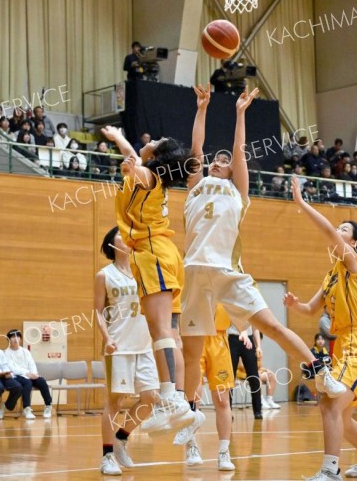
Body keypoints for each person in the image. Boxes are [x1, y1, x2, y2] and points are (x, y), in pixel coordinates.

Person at [181, 84, 345, 429]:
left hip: (228, 271)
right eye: (216, 160)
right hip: (195, 271)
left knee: (271, 325)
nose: (218, 163)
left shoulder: (237, 193)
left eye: (224, 162)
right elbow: (196, 147)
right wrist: (202, 109)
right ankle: (191, 412)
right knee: (192, 352)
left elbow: (239, 152)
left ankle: (319, 370)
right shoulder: (195, 187)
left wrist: (241, 113)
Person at [283, 175, 357, 480]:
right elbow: (310, 309)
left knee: (329, 403)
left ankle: (329, 471)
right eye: (340, 228)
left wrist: (302, 203)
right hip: (342, 346)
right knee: (341, 413)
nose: (338, 231)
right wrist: (294, 304)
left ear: (354, 243)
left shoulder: (351, 260)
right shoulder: (330, 275)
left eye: (345, 230)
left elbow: (329, 232)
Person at [101, 124, 198, 434]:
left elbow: (135, 163)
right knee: (169, 332)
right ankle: (178, 400)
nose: (148, 141)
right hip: (165, 253)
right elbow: (134, 159)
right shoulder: (153, 178)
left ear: (156, 156)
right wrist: (117, 138)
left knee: (160, 331)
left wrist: (128, 156)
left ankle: (170, 398)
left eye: (154, 141)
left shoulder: (145, 176)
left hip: (153, 253)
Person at [95, 226, 159, 475]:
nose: (128, 236)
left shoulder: (141, 272)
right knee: (114, 402)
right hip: (118, 347)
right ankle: (107, 456)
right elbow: (98, 311)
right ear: (112, 244)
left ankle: (122, 438)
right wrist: (107, 337)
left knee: (151, 398)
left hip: (143, 345)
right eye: (121, 233)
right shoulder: (104, 275)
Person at [173, 304, 235, 471]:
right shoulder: (191, 278)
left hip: (218, 339)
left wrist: (244, 330)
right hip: (193, 335)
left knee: (222, 399)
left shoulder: (228, 278)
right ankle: (191, 446)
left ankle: (224, 451)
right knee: (194, 394)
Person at [5, 330, 53, 420]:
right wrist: (27, 374)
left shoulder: (25, 351)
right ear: (9, 340)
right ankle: (27, 409)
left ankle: (48, 406)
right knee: (27, 383)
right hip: (17, 376)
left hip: (30, 374)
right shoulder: (6, 353)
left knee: (42, 381)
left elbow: (31, 363)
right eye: (13, 337)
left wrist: (34, 374)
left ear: (20, 339)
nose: (16, 339)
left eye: (18, 337)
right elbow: (13, 368)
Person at [228, 324, 262, 419]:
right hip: (233, 339)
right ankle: (228, 411)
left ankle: (258, 410)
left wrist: (258, 346)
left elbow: (255, 328)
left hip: (249, 339)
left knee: (254, 377)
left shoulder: (252, 309)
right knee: (230, 378)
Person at [0, 329, 22, 420]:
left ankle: (5, 405)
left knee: (17, 387)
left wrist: (8, 373)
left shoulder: (0, 352)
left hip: (3, 376)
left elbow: (5, 365)